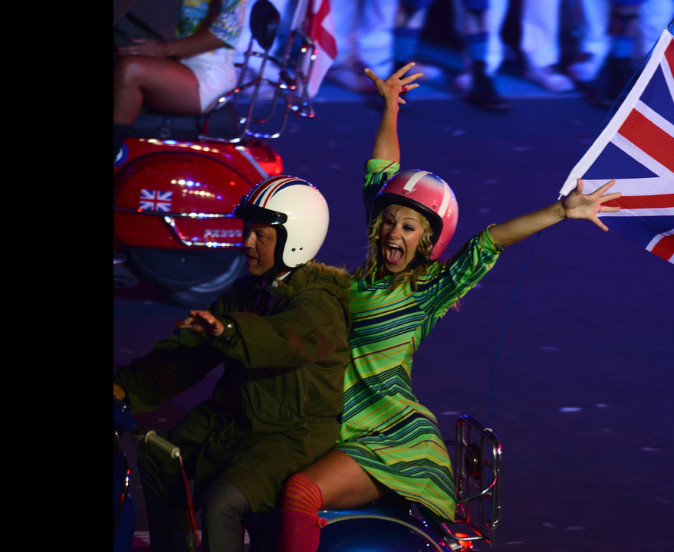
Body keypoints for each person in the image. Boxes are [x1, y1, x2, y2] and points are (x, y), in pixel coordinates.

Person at [273, 62, 621, 552]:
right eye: (389, 222)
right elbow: (383, 175)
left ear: (428, 241)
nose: (395, 231)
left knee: (300, 492)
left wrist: (559, 212)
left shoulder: (429, 288)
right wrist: (391, 107)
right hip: (329, 420)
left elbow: (489, 241)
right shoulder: (365, 277)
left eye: (410, 228)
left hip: (388, 440)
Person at [113, 176, 352, 552]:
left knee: (223, 499)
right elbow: (191, 351)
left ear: (296, 239)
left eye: (261, 236)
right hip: (237, 421)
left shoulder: (319, 305)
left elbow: (280, 339)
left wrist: (228, 331)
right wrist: (126, 389)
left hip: (290, 436)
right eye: (248, 232)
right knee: (159, 457)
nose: (247, 243)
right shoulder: (250, 291)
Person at [114, 0, 247, 161]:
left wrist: (163, 50)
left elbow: (226, 33)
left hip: (206, 74)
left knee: (130, 70)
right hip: (178, 63)